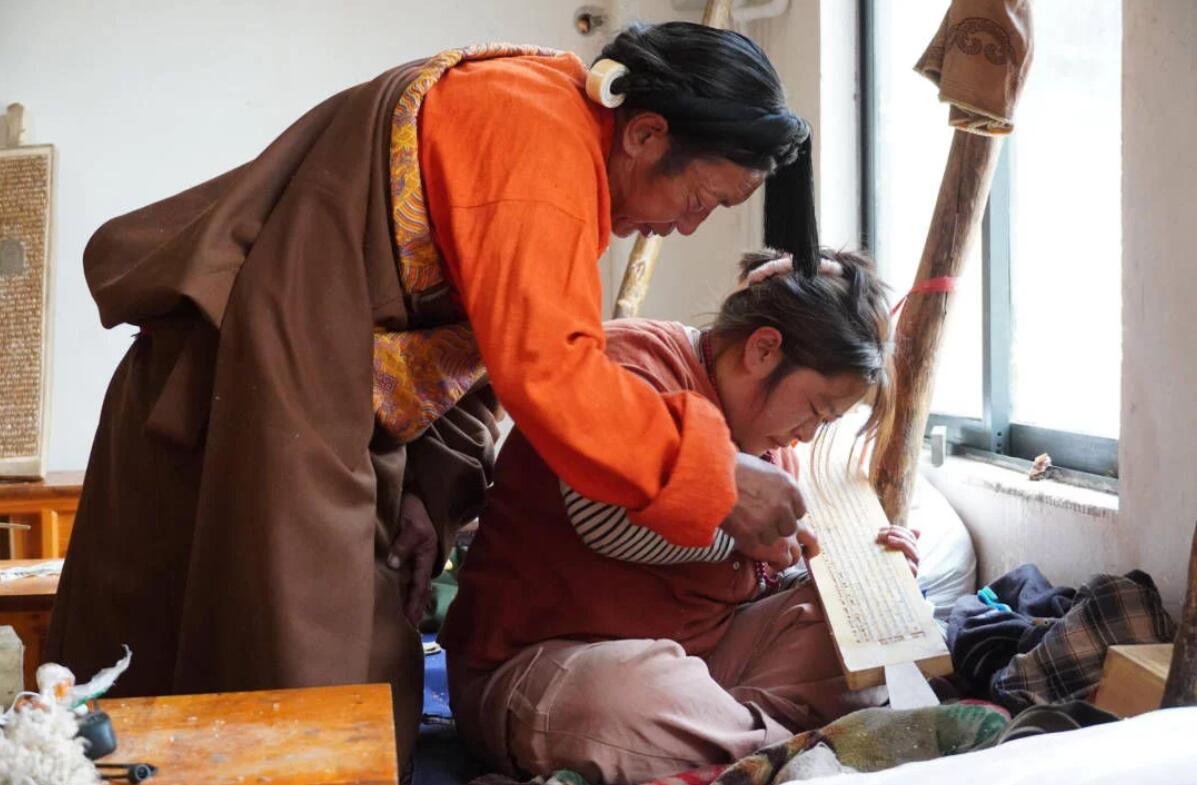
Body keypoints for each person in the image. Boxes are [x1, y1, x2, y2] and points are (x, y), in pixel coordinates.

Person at [47, 21, 819, 769]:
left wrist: (431, 490)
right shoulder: (534, 132)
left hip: (314, 391)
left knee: (327, 676)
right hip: (259, 384)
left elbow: (466, 350)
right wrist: (719, 479)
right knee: (300, 670)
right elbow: (550, 372)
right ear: (645, 134)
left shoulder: (552, 132)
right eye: (700, 199)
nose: (686, 228)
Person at [441, 249, 919, 785]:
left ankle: (739, 745)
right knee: (619, 700)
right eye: (815, 410)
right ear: (763, 350)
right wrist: (740, 537)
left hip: (702, 673)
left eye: (825, 422)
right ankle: (780, 749)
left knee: (842, 633)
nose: (807, 435)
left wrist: (865, 573)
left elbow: (758, 577)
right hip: (553, 666)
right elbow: (600, 520)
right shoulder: (628, 364)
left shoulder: (771, 448)